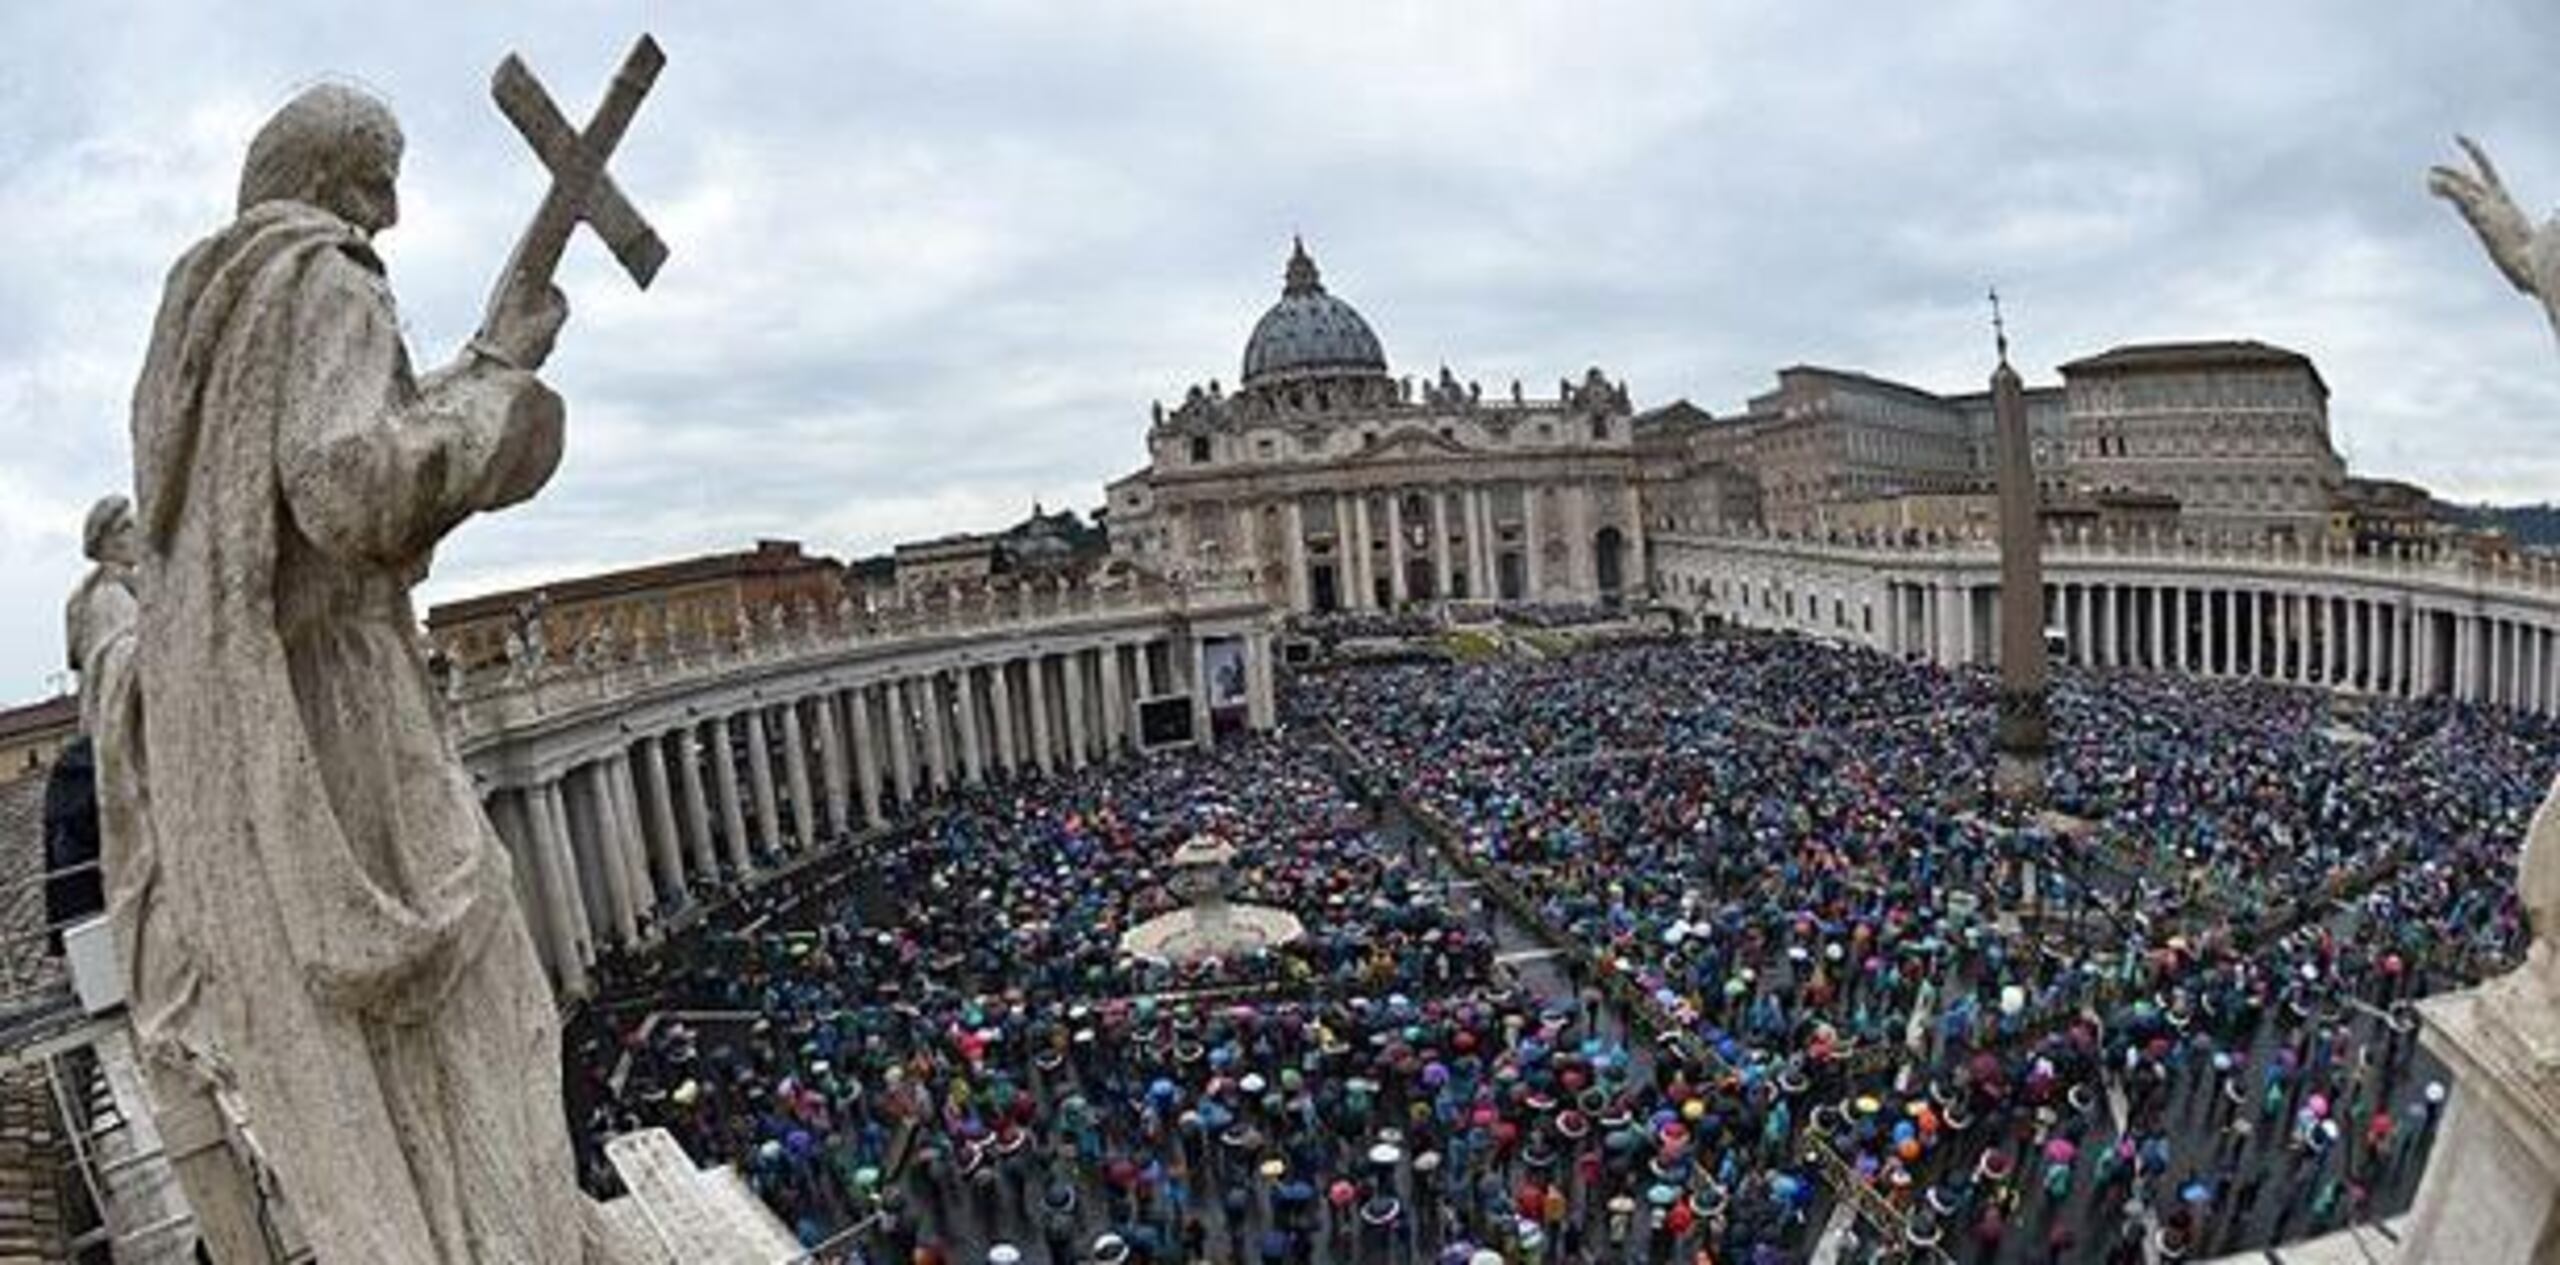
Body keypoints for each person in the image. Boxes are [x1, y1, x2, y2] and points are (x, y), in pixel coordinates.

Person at [127, 83, 586, 1263]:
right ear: (329, 181)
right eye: (376, 180)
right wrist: (496, 399)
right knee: (484, 1002)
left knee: (393, 1041)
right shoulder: (322, 275)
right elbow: (348, 484)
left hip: (258, 725)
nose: (388, 211)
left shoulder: (202, 319)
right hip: (343, 710)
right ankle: (504, 1236)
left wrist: (488, 353)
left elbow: (320, 455)